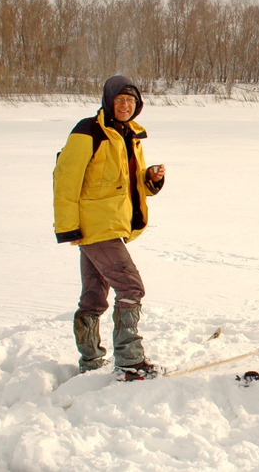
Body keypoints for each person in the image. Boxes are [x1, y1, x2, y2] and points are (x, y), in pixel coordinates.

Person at [53, 75, 166, 380]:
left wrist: (150, 179)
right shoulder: (89, 130)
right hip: (94, 225)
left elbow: (122, 181)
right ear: (108, 101)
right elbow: (66, 178)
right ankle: (130, 361)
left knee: (94, 295)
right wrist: (69, 227)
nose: (126, 105)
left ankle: (90, 361)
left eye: (131, 101)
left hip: (110, 224)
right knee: (131, 287)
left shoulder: (128, 134)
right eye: (120, 100)